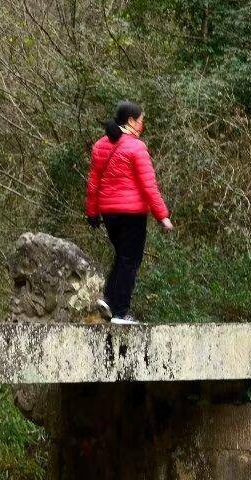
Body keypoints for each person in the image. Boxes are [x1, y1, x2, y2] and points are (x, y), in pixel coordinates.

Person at [86, 100, 172, 325]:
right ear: (131, 121)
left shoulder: (99, 146)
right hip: (132, 213)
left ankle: (109, 301)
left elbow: (94, 182)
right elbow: (148, 185)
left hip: (109, 213)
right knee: (130, 260)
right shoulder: (136, 147)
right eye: (141, 120)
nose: (142, 125)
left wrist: (92, 212)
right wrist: (162, 215)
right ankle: (120, 313)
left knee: (122, 256)